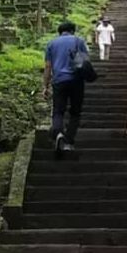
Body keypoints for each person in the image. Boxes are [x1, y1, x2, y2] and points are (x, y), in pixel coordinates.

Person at [43, 21, 90, 155]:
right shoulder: (78, 41)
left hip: (59, 81)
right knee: (75, 112)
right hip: (76, 81)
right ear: (72, 30)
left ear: (60, 31)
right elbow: (85, 62)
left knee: (58, 111)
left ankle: (58, 134)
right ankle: (69, 141)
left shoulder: (51, 44)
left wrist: (45, 86)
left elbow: (47, 67)